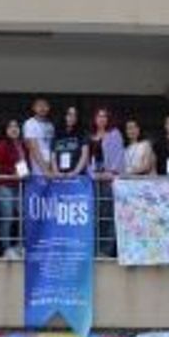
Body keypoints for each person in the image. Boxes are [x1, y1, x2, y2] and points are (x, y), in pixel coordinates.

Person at [88, 108, 125, 258]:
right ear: (95, 119)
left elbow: (118, 156)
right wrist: (92, 174)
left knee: (108, 215)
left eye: (105, 116)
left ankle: (106, 250)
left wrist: (110, 173)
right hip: (93, 180)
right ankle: (94, 249)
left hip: (109, 179)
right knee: (93, 214)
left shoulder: (115, 134)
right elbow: (85, 157)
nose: (102, 119)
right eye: (99, 116)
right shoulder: (90, 136)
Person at [0, 119, 28, 259]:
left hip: (20, 186)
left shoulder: (22, 145)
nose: (14, 129)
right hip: (5, 185)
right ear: (6, 130)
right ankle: (5, 249)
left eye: (16, 126)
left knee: (22, 216)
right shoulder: (2, 145)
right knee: (7, 217)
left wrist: (26, 172)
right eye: (11, 126)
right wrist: (13, 172)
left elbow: (25, 163)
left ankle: (20, 246)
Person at [22, 97, 56, 177]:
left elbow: (52, 147)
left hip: (51, 169)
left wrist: (53, 167)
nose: (42, 108)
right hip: (37, 171)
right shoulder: (30, 124)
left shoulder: (50, 125)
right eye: (39, 106)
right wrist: (45, 170)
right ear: (33, 108)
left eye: (45, 106)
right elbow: (33, 148)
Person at [50, 106, 89, 177]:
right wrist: (56, 172)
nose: (72, 118)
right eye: (69, 114)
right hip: (60, 175)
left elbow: (84, 155)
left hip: (77, 175)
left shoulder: (82, 133)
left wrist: (75, 172)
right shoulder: (57, 134)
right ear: (64, 116)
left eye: (75, 115)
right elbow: (53, 155)